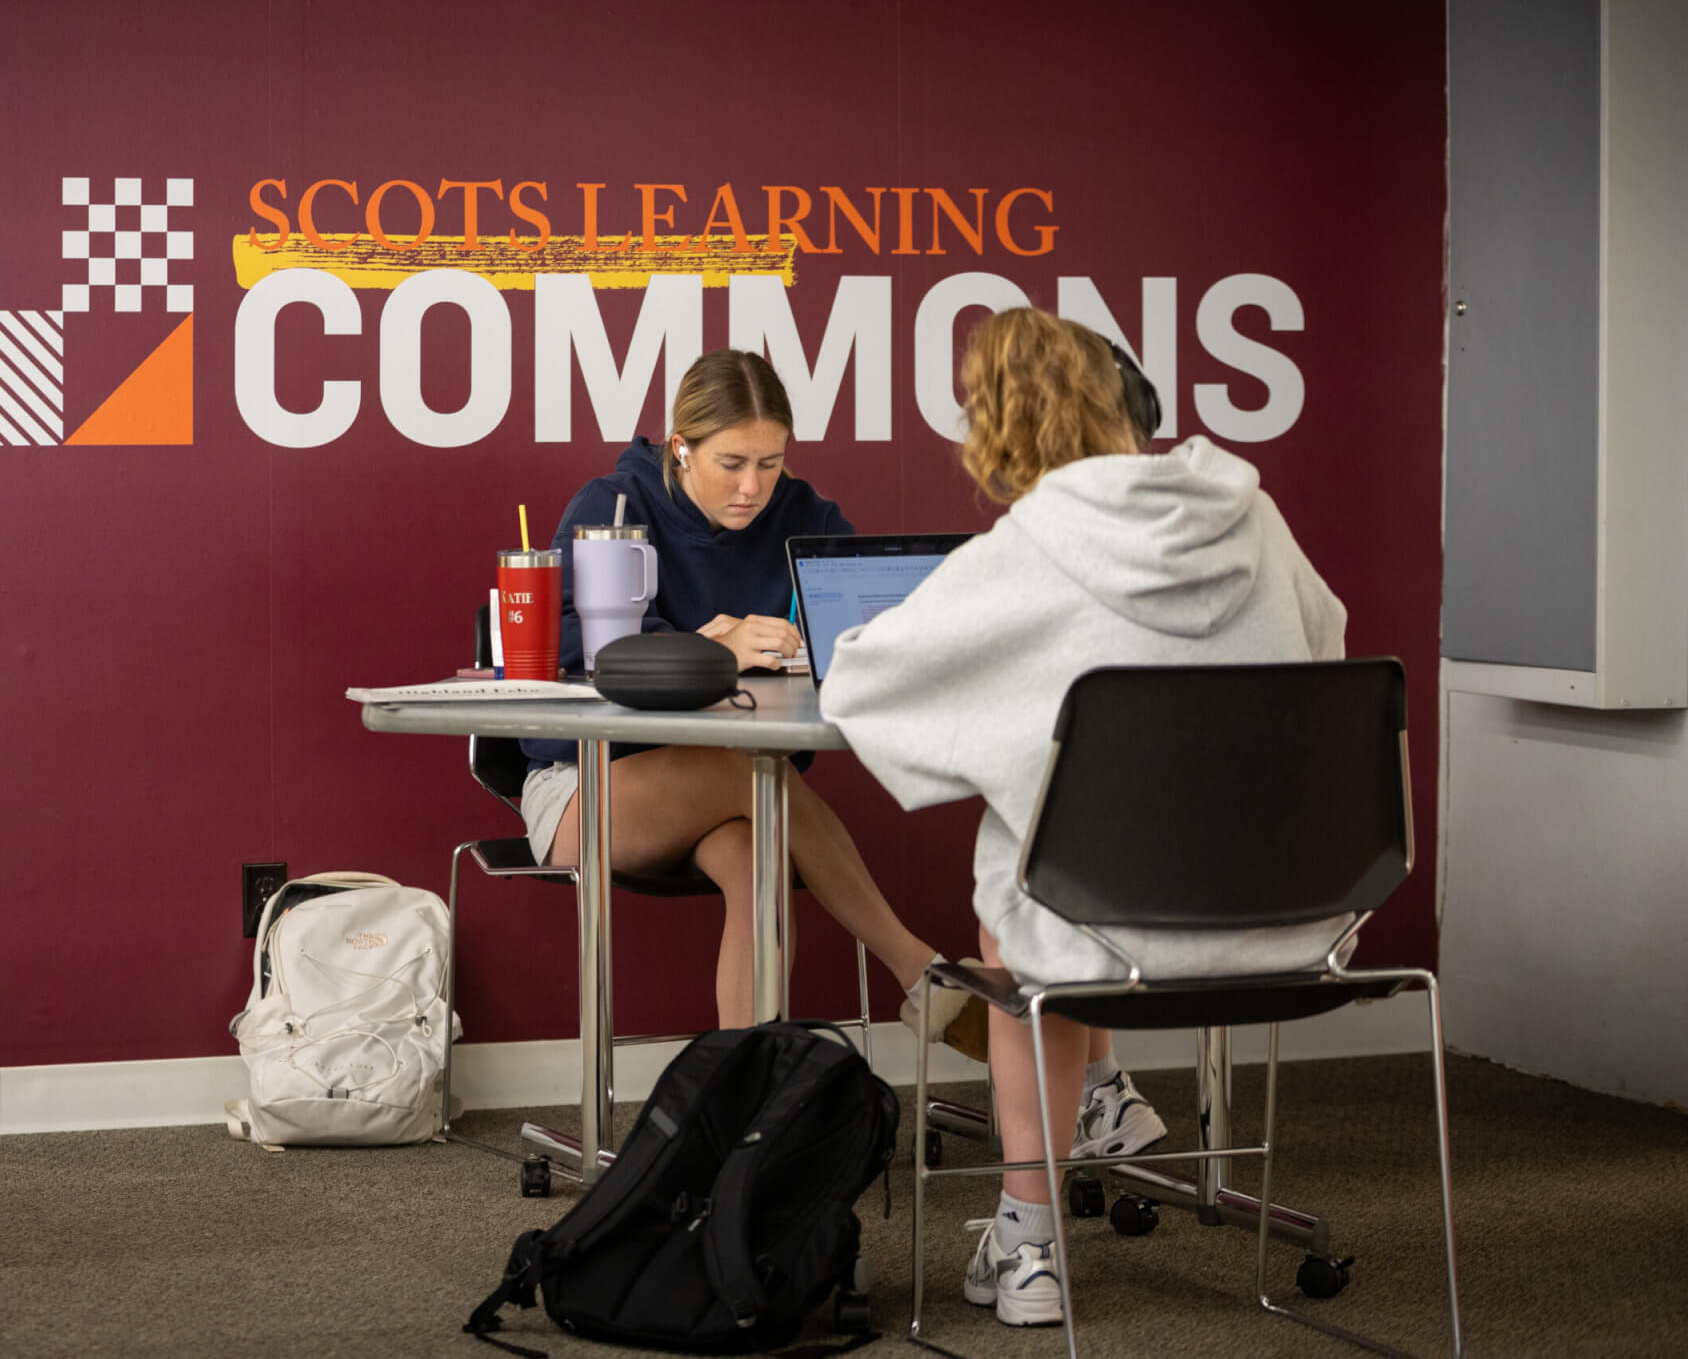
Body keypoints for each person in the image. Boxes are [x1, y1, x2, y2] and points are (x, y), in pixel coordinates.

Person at [819, 308, 1348, 1329]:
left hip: (1106, 937)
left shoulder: (1030, 543)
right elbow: (1324, 650)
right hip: (1294, 919)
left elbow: (866, 684)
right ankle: (1103, 1106)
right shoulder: (1250, 512)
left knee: (1022, 906)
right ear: (1123, 403)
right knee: (1058, 870)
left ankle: (1031, 1239)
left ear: (996, 425)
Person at [517, 348, 970, 1036]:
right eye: (731, 464)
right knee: (750, 767)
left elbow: (863, 638)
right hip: (588, 785)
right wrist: (709, 650)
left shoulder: (806, 514)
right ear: (681, 448)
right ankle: (916, 970)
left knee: (760, 870)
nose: (752, 487)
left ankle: (744, 1101)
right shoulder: (615, 502)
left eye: (771, 462)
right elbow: (578, 655)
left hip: (732, 793)